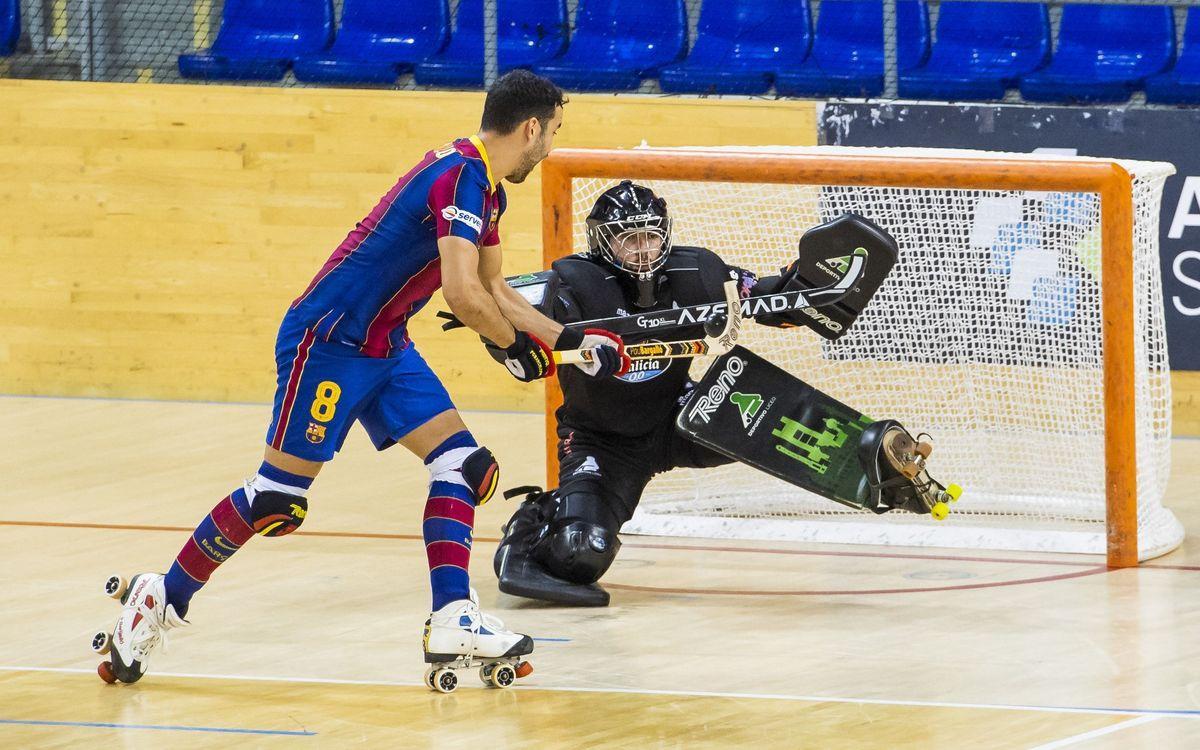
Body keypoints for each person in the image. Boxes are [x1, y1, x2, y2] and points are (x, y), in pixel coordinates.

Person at [94, 70, 628, 685]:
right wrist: (511, 347)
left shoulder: (487, 191)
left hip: (385, 344)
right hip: (328, 342)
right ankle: (161, 596)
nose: (551, 147)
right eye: (553, 132)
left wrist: (569, 341)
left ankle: (453, 617)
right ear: (530, 128)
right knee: (277, 499)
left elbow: (496, 290)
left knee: (465, 467)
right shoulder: (459, 176)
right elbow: (461, 294)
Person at [491, 181, 908, 607]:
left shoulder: (698, 272)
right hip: (601, 443)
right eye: (629, 239)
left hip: (681, 416)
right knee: (581, 552)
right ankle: (537, 519)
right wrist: (514, 346)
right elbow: (500, 314)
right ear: (603, 242)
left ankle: (872, 460)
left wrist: (807, 290)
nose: (643, 250)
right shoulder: (572, 281)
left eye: (651, 236)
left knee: (760, 409)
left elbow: (765, 298)